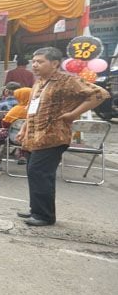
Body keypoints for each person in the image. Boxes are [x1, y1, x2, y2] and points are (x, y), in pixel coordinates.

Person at [16, 47, 108, 226]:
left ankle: (44, 216)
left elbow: (100, 94)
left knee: (40, 172)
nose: (35, 65)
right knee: (34, 172)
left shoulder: (67, 80)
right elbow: (32, 109)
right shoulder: (39, 82)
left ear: (55, 63)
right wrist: (24, 128)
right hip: (34, 136)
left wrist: (74, 114)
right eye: (33, 62)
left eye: (40, 62)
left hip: (53, 136)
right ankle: (37, 210)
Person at [0, 87, 31, 170]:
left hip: (13, 137)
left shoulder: (16, 109)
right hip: (30, 137)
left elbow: (5, 123)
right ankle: (22, 156)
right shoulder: (34, 109)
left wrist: (4, 128)